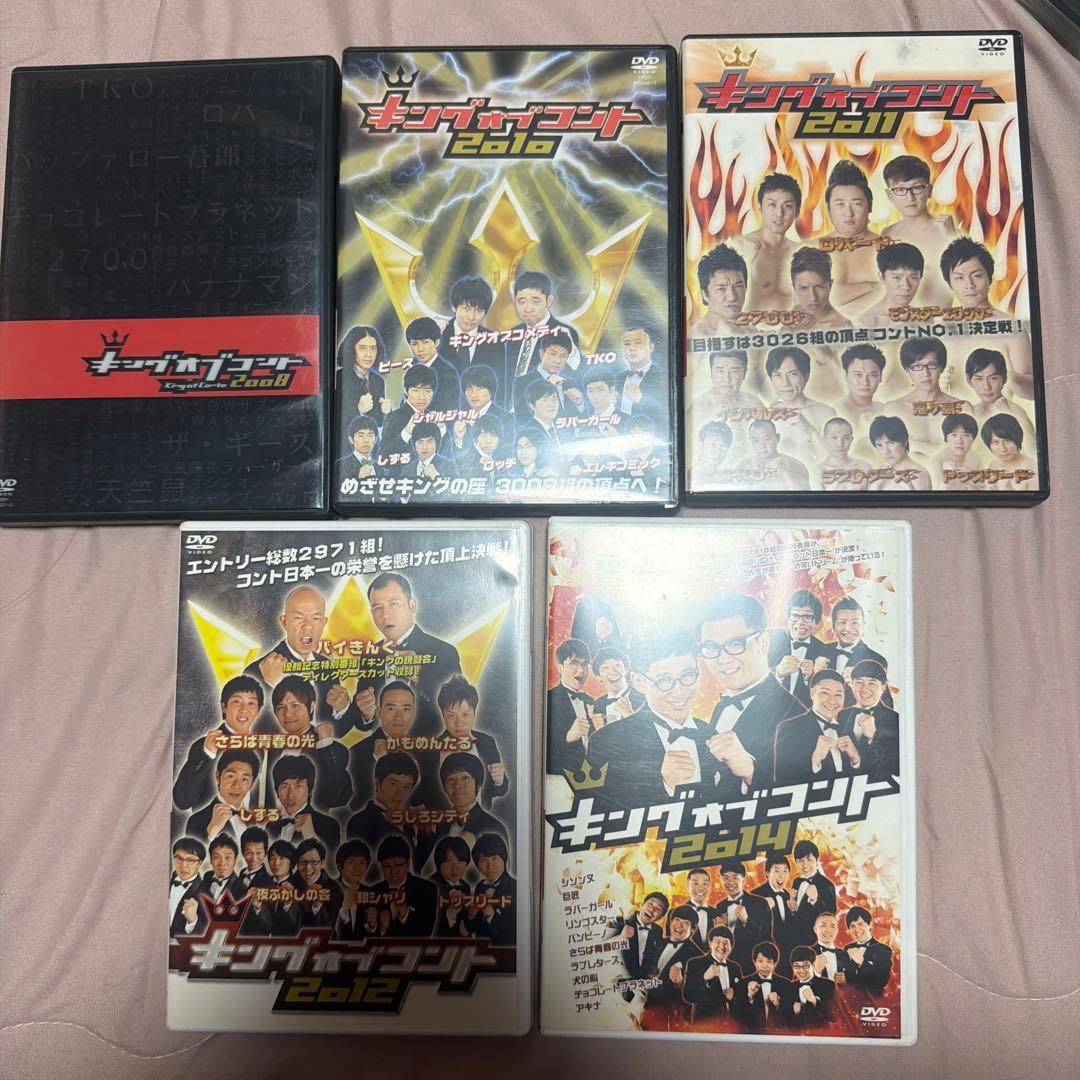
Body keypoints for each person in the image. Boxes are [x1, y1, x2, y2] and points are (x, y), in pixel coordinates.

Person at [584, 626, 712, 808]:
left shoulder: (711, 733)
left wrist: (748, 772)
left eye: (688, 675)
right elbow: (597, 815)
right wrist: (664, 785)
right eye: (664, 680)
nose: (679, 691)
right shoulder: (606, 743)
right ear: (639, 682)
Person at [697, 590, 804, 794]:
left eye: (735, 644)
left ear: (763, 642)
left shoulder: (795, 714)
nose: (722, 659)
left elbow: (803, 797)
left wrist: (750, 770)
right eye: (711, 647)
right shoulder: (722, 705)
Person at [351, 571, 463, 738]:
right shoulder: (370, 655)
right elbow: (361, 723)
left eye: (393, 604)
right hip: (381, 748)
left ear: (411, 605)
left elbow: (460, 708)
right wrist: (366, 714)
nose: (385, 614)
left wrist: (420, 678)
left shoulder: (444, 651)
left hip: (429, 747)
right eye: (377, 607)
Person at [940, 236, 1035, 397]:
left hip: (998, 412)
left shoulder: (1011, 327)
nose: (969, 285)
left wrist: (1008, 377)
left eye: (977, 275)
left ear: (989, 278)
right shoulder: (940, 326)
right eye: (959, 278)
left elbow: (1032, 392)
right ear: (950, 283)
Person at [172, 675, 265, 811]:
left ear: (258, 711)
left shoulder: (262, 747)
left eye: (251, 703)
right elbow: (182, 801)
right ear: (224, 707)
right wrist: (207, 754)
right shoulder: (205, 746)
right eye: (237, 701)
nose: (244, 709)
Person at [347, 681, 441, 810]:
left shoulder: (426, 751)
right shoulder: (356, 752)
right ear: (379, 711)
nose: (398, 717)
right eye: (391, 708)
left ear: (413, 713)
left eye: (405, 709)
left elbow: (431, 797)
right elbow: (357, 804)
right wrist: (379, 763)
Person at [265, 674, 352, 808]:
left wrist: (326, 744)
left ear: (311, 706)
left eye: (295, 705)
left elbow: (338, 798)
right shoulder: (272, 747)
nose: (287, 713)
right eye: (281, 707)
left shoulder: (332, 748)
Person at [882, 154, 956, 306]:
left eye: (916, 188)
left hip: (940, 318)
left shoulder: (946, 230)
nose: (910, 197)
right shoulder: (887, 234)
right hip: (898, 318)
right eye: (900, 189)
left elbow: (968, 280)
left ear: (929, 190)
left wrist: (952, 239)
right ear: (889, 195)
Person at [345, 749, 435, 870]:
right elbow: (364, 870)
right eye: (393, 784)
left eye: (406, 787)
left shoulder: (408, 822)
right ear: (377, 783)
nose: (400, 793)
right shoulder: (359, 822)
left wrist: (426, 835)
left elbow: (414, 867)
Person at [768, 670, 862, 785]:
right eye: (825, 693)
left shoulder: (846, 728)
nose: (832, 700)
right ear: (812, 693)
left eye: (838, 694)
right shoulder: (789, 728)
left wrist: (856, 759)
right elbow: (783, 779)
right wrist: (815, 760)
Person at [884, 337, 971, 458]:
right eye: (917, 366)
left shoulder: (962, 407)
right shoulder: (893, 408)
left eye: (931, 365)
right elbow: (887, 452)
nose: (925, 373)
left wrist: (912, 445)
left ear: (941, 367)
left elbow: (968, 453)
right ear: (907, 370)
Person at [435, 674, 508, 808]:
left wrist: (499, 780)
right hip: (443, 820)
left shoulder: (487, 742)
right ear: (442, 716)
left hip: (480, 818)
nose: (459, 723)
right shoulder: (431, 749)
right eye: (451, 716)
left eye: (466, 715)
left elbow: (500, 790)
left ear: (474, 713)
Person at [733, 172, 801, 309]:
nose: (779, 213)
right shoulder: (740, 248)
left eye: (787, 206)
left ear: (797, 212)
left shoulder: (800, 252)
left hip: (790, 322)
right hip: (751, 322)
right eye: (772, 205)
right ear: (760, 207)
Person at [818, 160, 881, 308]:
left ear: (869, 205)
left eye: (856, 204)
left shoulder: (889, 249)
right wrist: (873, 287)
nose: (848, 213)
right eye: (840, 204)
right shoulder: (810, 248)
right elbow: (804, 300)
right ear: (828, 208)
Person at [507, 269, 581, 379]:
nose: (528, 309)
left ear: (549, 301)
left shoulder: (564, 332)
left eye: (536, 302)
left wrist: (572, 353)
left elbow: (576, 369)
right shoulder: (513, 333)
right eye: (521, 302)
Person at [688, 350, 761, 456]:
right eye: (720, 371)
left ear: (744, 373)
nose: (726, 379)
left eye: (734, 371)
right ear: (711, 372)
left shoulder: (755, 403)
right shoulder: (698, 407)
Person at [438, 276, 507, 387]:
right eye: (466, 308)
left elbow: (499, 387)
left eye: (479, 310)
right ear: (454, 307)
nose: (471, 317)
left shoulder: (494, 341)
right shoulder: (437, 335)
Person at [838, 659, 900, 780]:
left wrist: (874, 736)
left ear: (883, 687)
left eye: (872, 683)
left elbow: (897, 768)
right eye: (859, 682)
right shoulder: (841, 715)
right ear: (851, 685)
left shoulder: (896, 720)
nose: (864, 689)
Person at [764, 346, 831, 458]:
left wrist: (809, 430)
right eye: (778, 375)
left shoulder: (825, 412)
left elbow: (835, 459)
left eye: (792, 374)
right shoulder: (767, 415)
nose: (785, 383)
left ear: (806, 377)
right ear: (771, 378)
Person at [185, 748, 260, 848]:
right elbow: (193, 855)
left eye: (244, 779)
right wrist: (212, 830)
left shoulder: (252, 820)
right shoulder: (196, 821)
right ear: (218, 776)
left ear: (252, 784)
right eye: (231, 776)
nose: (236, 786)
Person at [267, 753, 341, 851]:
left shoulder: (328, 825)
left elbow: (333, 859)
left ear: (310, 789)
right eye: (284, 786)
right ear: (276, 791)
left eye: (298, 786)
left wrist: (311, 835)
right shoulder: (271, 827)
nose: (290, 794)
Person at [768, 589, 829, 707]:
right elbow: (751, 678)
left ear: (816, 622)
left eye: (807, 617)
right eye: (795, 615)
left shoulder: (824, 651)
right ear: (787, 618)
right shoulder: (770, 639)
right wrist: (778, 672)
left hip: (802, 714)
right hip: (769, 710)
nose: (800, 622)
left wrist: (812, 677)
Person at [546, 637, 596, 778]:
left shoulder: (590, 701)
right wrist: (568, 737)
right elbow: (538, 747)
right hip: (560, 778)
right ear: (560, 666)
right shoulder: (548, 699)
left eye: (585, 664)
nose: (581, 670)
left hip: (592, 777)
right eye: (574, 663)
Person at [715, 860, 774, 978]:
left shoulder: (760, 903)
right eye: (726, 878)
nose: (730, 882)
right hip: (727, 967)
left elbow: (766, 937)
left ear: (743, 879)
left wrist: (746, 920)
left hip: (751, 967)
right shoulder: (720, 906)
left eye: (735, 877)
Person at [646, 904, 703, 1025]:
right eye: (677, 919)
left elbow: (696, 994)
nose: (679, 925)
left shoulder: (697, 956)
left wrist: (680, 982)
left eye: (686, 923)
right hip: (645, 1007)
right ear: (671, 921)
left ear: (692, 929)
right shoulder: (659, 943)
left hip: (671, 1016)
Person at [512, 329, 583, 424]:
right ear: (542, 354)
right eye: (553, 354)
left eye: (563, 356)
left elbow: (582, 417)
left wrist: (580, 404)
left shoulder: (570, 382)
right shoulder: (522, 382)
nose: (557, 361)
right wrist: (546, 386)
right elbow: (522, 419)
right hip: (539, 433)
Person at [966, 348, 1036, 444]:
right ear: (969, 381)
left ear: (1004, 379)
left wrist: (1008, 413)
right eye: (979, 379)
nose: (987, 387)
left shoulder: (1015, 411)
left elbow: (1033, 446)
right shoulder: (970, 411)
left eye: (993, 378)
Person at [437, 752, 507, 848]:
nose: (457, 785)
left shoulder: (494, 827)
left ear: (478, 785)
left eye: (465, 777)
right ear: (444, 787)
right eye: (450, 779)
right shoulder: (440, 825)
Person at [373, 834, 438, 937]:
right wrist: (381, 928)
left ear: (408, 863)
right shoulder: (374, 891)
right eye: (386, 866)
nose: (393, 871)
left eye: (398, 865)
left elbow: (426, 931)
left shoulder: (427, 889)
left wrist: (405, 911)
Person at [378, 364, 440, 462]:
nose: (422, 397)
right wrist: (406, 432)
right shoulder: (393, 417)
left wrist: (442, 430)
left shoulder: (433, 417)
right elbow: (383, 458)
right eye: (416, 390)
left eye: (427, 391)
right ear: (406, 391)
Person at [682, 925, 743, 1023]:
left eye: (726, 943)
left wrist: (732, 998)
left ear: (731, 946)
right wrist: (704, 977)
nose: (722, 946)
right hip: (705, 1025)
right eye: (717, 942)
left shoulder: (735, 968)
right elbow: (688, 996)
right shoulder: (695, 963)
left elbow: (742, 1000)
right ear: (710, 943)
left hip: (731, 1025)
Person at [752, 853, 799, 975]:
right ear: (767, 873)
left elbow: (788, 927)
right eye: (776, 871)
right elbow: (750, 927)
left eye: (785, 871)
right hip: (765, 957)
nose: (781, 875)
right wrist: (763, 908)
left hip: (787, 956)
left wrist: (794, 912)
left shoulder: (787, 895)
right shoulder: (755, 895)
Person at [857, 242, 926, 326]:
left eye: (913, 278)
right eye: (897, 278)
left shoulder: (925, 320)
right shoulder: (863, 323)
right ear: (882, 277)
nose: (906, 287)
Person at [465, 832, 517, 946]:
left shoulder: (515, 887)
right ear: (478, 866)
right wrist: (472, 915)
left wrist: (490, 914)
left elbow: (514, 933)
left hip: (504, 951)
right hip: (480, 950)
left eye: (495, 858)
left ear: (504, 859)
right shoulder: (480, 886)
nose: (490, 866)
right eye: (484, 860)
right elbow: (473, 928)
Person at [605, 892, 668, 984]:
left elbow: (654, 957)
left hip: (640, 983)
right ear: (642, 905)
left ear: (660, 917)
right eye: (650, 903)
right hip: (615, 980)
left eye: (657, 909)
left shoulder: (658, 930)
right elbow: (600, 950)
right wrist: (621, 938)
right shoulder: (619, 921)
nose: (652, 909)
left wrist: (653, 968)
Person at [403, 316, 461, 413]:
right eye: (414, 344)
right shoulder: (412, 369)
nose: (420, 349)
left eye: (425, 342)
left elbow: (448, 412)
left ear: (436, 343)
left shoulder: (448, 374)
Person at [688, 244, 748, 338]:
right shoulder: (695, 337)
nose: (732, 297)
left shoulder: (750, 330)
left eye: (738, 286)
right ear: (705, 294)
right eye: (721, 288)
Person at [735, 418, 811, 491]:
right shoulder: (744, 466)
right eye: (756, 440)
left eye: (767, 439)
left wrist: (785, 473)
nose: (761, 445)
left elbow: (805, 496)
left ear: (777, 438)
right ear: (751, 441)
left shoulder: (796, 465)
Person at [337, 324, 390, 425]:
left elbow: (379, 422)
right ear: (351, 350)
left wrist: (387, 412)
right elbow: (336, 421)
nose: (369, 354)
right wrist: (359, 411)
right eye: (362, 348)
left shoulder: (379, 381)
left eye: (373, 348)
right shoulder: (339, 379)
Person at [822, 596, 887, 676]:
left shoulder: (878, 660)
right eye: (843, 622)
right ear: (833, 625)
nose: (848, 629)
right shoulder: (820, 651)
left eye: (855, 622)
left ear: (863, 625)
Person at [789, 246, 852, 330]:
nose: (813, 298)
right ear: (794, 288)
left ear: (830, 286)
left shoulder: (843, 327)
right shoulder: (796, 314)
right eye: (803, 288)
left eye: (819, 287)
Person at [790, 839, 838, 944]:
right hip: (794, 939)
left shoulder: (827, 884)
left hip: (813, 942)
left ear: (817, 860)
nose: (805, 865)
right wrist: (792, 910)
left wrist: (816, 900)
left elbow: (831, 915)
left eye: (809, 860)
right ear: (796, 862)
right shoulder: (796, 881)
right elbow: (798, 912)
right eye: (801, 860)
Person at [738, 941, 793, 1031]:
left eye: (769, 961)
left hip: (777, 1033)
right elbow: (739, 1015)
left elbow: (790, 1016)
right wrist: (750, 997)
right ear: (754, 962)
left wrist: (778, 1004)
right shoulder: (744, 983)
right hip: (752, 1034)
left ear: (775, 963)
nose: (764, 965)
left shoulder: (786, 984)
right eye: (760, 961)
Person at [615, 324, 667, 421]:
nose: (631, 348)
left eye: (638, 343)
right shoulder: (617, 378)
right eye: (627, 344)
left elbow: (665, 413)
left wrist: (640, 399)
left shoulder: (664, 377)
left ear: (650, 347)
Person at [867, 415, 932, 492]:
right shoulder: (881, 472)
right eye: (879, 445)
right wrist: (877, 483)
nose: (886, 451)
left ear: (905, 441)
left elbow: (923, 500)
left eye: (891, 443)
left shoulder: (917, 474)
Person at [836, 344, 887, 435]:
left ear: (880, 377)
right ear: (845, 375)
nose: (865, 382)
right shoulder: (837, 411)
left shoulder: (883, 409)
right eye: (858, 375)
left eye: (873, 375)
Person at [980, 413, 1039, 491]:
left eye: (1007, 441)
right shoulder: (994, 465)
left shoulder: (1033, 468)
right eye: (995, 442)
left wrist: (1010, 490)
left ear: (1017, 438)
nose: (1002, 449)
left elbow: (1036, 498)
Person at [294, 837, 344, 928]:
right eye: (303, 862)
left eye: (314, 862)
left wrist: (317, 905)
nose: (308, 868)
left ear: (322, 863)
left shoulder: (333, 888)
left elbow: (329, 925)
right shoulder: (290, 883)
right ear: (297, 864)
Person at [430, 835, 473, 938]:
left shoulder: (465, 886)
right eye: (449, 861)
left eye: (460, 860)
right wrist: (451, 912)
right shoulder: (429, 886)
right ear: (438, 863)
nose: (455, 868)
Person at [843, 905, 894, 993]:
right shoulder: (847, 948)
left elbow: (881, 982)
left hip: (873, 998)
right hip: (849, 997)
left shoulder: (884, 950)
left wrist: (861, 962)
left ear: (870, 924)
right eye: (852, 926)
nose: (857, 929)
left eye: (860, 924)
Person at [591, 645, 644, 726]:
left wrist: (629, 715)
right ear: (598, 677)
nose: (613, 671)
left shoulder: (642, 698)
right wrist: (598, 729)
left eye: (617, 665)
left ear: (626, 669)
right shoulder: (598, 704)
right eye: (605, 667)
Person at [334, 839, 373, 940]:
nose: (357, 868)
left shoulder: (371, 893)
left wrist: (372, 926)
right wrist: (344, 909)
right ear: (340, 865)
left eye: (362, 862)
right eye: (351, 862)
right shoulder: (330, 889)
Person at [818, 418, 872, 492]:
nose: (840, 444)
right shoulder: (818, 471)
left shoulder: (864, 467)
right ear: (824, 439)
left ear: (851, 439)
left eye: (846, 438)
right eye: (834, 437)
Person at [788, 945, 837, 1026]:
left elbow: (834, 1017)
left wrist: (815, 1001)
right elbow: (784, 1019)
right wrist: (796, 1013)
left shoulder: (828, 985)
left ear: (813, 964)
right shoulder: (788, 987)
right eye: (797, 966)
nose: (801, 970)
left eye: (805, 965)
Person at [932, 412, 984, 490]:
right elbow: (935, 495)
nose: (959, 441)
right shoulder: (937, 461)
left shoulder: (976, 459)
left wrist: (970, 479)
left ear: (973, 439)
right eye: (954, 435)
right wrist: (947, 480)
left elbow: (982, 491)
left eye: (965, 435)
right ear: (946, 438)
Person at [169, 837, 209, 937]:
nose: (183, 865)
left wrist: (193, 921)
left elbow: (208, 933)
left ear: (199, 863)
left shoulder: (205, 893)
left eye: (190, 860)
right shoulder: (166, 880)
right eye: (179, 858)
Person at [337, 414, 382, 483]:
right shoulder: (340, 465)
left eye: (370, 435)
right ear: (351, 439)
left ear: (376, 439)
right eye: (361, 436)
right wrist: (358, 479)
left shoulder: (379, 467)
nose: (366, 440)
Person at [684, 867, 720, 952]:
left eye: (705, 883)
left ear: (709, 886)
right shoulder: (676, 913)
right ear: (687, 885)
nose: (700, 888)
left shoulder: (717, 913)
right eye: (695, 883)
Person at [811, 910, 853, 983]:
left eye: (832, 926)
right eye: (823, 925)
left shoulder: (844, 954)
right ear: (815, 929)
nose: (828, 930)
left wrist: (845, 981)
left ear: (837, 930)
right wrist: (816, 971)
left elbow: (853, 982)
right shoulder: (806, 953)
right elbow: (798, 984)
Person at [202, 834, 243, 903]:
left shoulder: (241, 888)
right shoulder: (207, 876)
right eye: (217, 857)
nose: (222, 863)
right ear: (211, 860)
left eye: (227, 857)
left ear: (235, 861)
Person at [238, 826, 273, 893]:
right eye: (249, 853)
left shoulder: (269, 882)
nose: (254, 858)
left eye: (258, 852)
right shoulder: (242, 873)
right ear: (243, 853)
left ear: (265, 853)